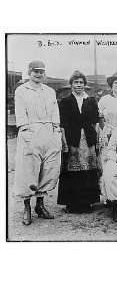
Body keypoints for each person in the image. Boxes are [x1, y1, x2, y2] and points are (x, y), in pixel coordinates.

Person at [14, 60, 61, 225]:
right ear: (29, 72)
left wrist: (56, 130)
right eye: (35, 71)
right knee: (29, 170)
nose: (38, 74)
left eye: (41, 72)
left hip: (48, 131)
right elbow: (20, 113)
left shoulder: (49, 91)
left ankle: (40, 206)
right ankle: (26, 208)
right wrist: (26, 131)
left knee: (47, 169)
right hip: (31, 131)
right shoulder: (21, 90)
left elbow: (55, 111)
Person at [57, 70, 100, 213]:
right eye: (76, 82)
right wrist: (64, 141)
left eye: (81, 82)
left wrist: (96, 141)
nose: (79, 85)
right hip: (72, 139)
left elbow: (95, 122)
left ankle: (87, 202)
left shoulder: (91, 101)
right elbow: (62, 123)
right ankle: (72, 203)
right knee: (72, 170)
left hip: (88, 139)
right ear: (71, 84)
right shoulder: (65, 101)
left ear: (84, 85)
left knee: (88, 169)